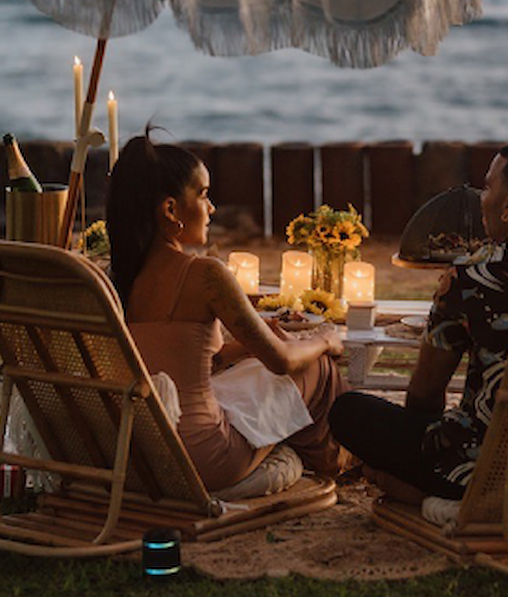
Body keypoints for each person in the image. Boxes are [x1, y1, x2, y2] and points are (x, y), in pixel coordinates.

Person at [329, 140, 508, 505]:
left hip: (482, 467)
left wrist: (412, 448)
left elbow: (426, 392)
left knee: (348, 411)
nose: (482, 196)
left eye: (490, 186)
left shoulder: (474, 275)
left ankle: (436, 499)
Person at [106, 128, 349, 492]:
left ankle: (331, 459)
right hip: (202, 457)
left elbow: (185, 358)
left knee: (255, 370)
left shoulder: (115, 277)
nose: (212, 208)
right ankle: (343, 463)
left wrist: (248, 343)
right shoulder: (204, 274)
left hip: (138, 447)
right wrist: (325, 339)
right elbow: (282, 360)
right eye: (203, 195)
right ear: (171, 210)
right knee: (317, 368)